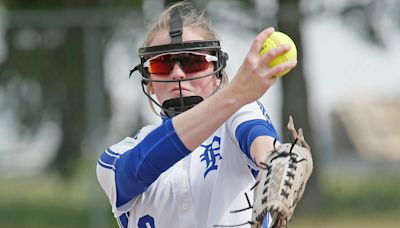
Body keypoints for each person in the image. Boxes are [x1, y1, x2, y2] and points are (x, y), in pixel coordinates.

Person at [96, 1, 297, 228]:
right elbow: (137, 169)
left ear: (217, 73)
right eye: (162, 64)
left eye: (193, 62)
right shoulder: (117, 155)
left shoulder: (237, 112)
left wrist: (274, 162)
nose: (178, 73)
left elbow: (261, 141)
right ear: (149, 82)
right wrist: (234, 93)